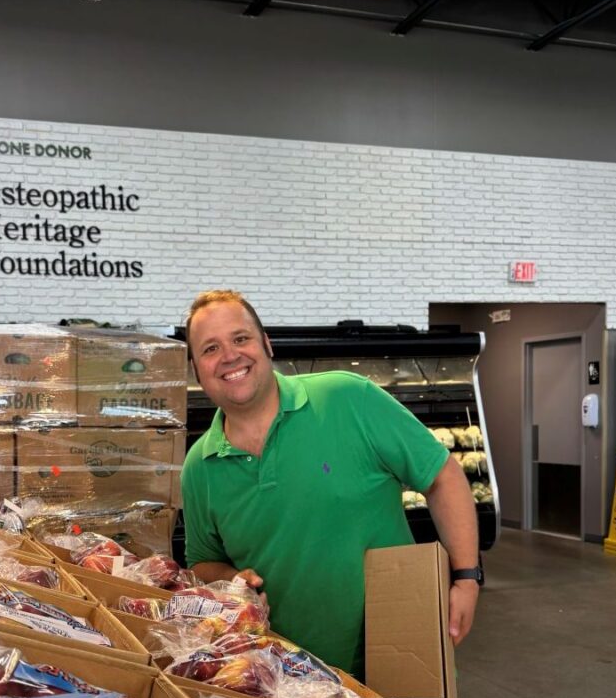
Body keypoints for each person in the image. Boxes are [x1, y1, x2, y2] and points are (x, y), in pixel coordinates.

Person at [179, 289, 481, 676]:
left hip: (402, 659)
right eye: (210, 348)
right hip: (280, 679)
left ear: (266, 344)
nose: (230, 356)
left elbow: (442, 475)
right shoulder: (199, 468)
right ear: (196, 369)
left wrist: (466, 579)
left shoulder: (348, 398)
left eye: (241, 338)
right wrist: (231, 579)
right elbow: (202, 562)